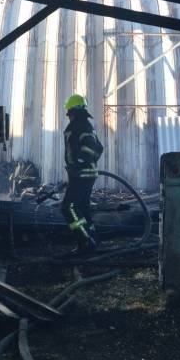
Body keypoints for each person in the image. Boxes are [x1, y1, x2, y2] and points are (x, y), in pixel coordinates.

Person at [61, 94, 104, 251]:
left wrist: (80, 162)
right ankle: (92, 238)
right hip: (84, 174)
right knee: (82, 207)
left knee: (69, 207)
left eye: (69, 112)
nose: (68, 115)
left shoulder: (79, 125)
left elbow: (92, 147)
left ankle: (85, 241)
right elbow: (99, 147)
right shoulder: (85, 124)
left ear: (73, 110)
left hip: (81, 174)